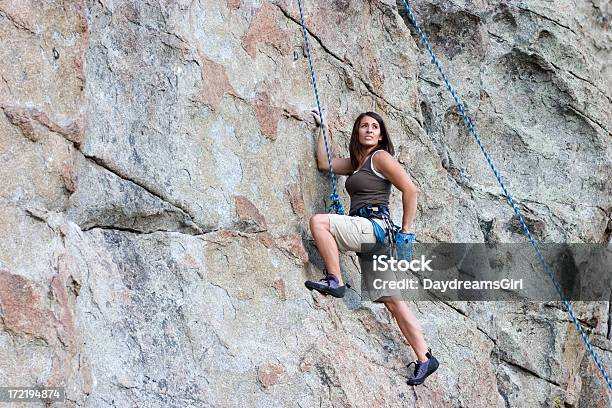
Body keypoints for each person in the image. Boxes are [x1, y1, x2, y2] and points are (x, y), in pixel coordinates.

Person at [305, 109, 439, 386]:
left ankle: (335, 280)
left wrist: (406, 232)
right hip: (371, 233)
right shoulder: (357, 164)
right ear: (357, 133)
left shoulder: (381, 158)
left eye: (374, 127)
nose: (368, 130)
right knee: (391, 300)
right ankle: (425, 358)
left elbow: (410, 190)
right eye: (363, 126)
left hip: (374, 226)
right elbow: (324, 164)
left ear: (380, 136)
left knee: (320, 223)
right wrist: (323, 128)